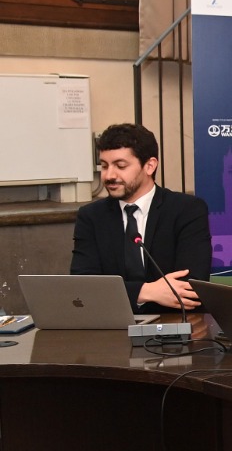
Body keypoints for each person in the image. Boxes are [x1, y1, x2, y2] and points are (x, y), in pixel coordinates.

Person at [70, 123, 211, 313]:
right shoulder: (91, 216)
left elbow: (189, 287)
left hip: (175, 320)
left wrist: (118, 293)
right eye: (104, 166)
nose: (109, 175)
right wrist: (147, 291)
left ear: (150, 166)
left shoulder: (186, 210)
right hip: (113, 322)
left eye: (120, 166)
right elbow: (84, 286)